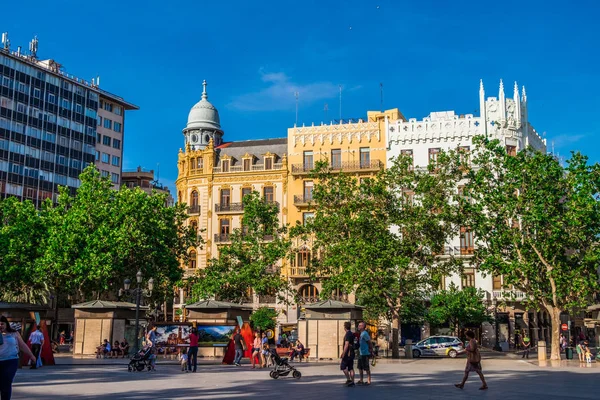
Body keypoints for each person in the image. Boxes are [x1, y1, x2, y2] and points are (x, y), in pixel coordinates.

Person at [1, 316, 36, 400]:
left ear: (6, 324)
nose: (0, 326)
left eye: (2, 323)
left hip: (11, 361)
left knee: (7, 381)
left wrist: (31, 355)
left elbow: (22, 345)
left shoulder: (14, 333)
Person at [356, 321, 372, 386]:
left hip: (365, 353)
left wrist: (371, 350)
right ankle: (361, 380)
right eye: (358, 325)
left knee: (366, 367)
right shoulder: (361, 334)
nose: (358, 326)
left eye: (360, 325)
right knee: (360, 367)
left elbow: (369, 342)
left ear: (363, 327)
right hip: (361, 352)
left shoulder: (365, 333)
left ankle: (369, 380)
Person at [340, 321, 355, 387]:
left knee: (343, 367)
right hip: (351, 353)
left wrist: (343, 353)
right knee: (351, 367)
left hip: (347, 354)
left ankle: (349, 379)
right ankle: (352, 381)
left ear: (345, 327)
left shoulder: (348, 334)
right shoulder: (351, 333)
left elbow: (346, 344)